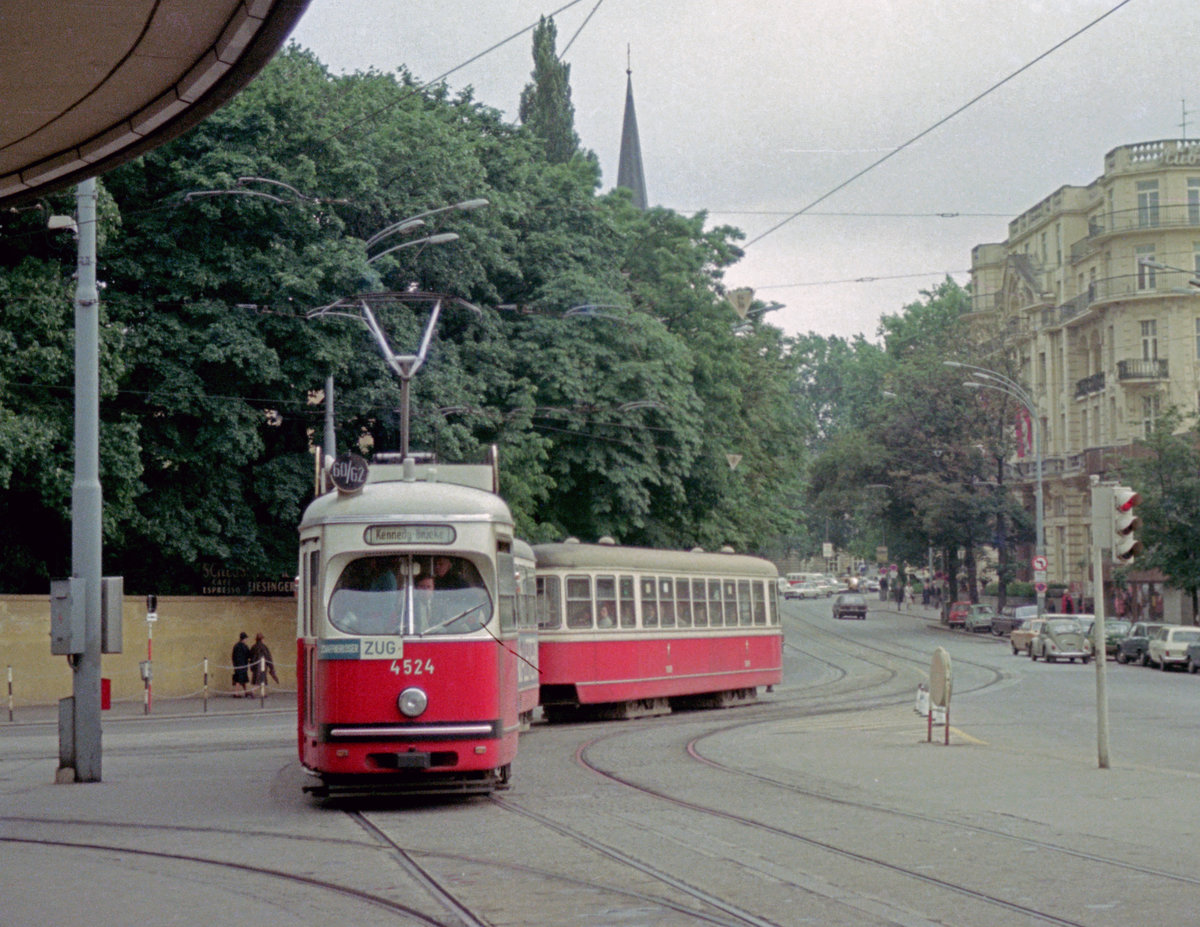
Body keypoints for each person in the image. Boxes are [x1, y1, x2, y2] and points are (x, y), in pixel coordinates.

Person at [231, 631, 251, 698]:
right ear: (244, 639)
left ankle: (246, 692)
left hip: (237, 665)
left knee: (243, 679)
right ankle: (236, 693)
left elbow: (233, 656)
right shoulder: (244, 646)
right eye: (246, 639)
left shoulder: (236, 646)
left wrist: (234, 664)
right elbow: (248, 654)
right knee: (239, 680)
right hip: (242, 665)